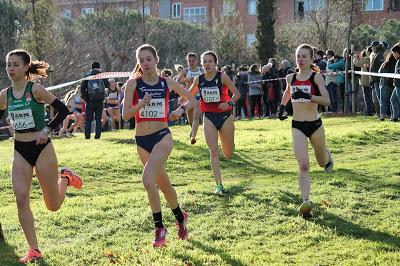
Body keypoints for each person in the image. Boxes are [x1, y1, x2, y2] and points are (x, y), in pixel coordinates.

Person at [0, 49, 82, 263]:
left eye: (15, 64)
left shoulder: (35, 89)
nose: (11, 68)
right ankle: (34, 249)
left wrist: (47, 130)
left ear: (26, 67)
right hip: (20, 149)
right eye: (8, 64)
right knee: (21, 199)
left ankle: (65, 178)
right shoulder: (5, 95)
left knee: (52, 205)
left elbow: (63, 110)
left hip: (42, 149)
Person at [122, 44, 195, 247]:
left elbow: (193, 99)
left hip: (162, 136)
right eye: (141, 60)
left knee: (147, 180)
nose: (144, 63)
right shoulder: (133, 84)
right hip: (142, 141)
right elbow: (126, 114)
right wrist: (141, 104)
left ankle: (159, 228)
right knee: (163, 184)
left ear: (156, 60)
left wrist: (181, 110)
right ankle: (181, 217)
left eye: (148, 59)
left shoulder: (167, 82)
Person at [278, 44, 333, 219]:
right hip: (297, 126)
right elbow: (288, 92)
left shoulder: (316, 78)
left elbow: (327, 100)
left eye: (304, 56)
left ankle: (327, 156)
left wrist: (309, 96)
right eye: (298, 57)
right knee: (303, 165)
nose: (300, 60)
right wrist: (281, 107)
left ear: (311, 59)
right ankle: (306, 203)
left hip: (315, 125)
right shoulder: (290, 77)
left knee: (321, 162)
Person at [188, 51, 240, 194]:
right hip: (209, 117)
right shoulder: (199, 79)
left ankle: (230, 145)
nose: (207, 64)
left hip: (225, 116)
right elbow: (188, 94)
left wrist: (228, 102)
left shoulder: (222, 76)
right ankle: (219, 185)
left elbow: (237, 94)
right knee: (213, 151)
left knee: (228, 153)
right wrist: (182, 101)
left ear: (215, 63)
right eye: (204, 61)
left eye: (210, 61)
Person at [177, 53, 204, 144]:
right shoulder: (185, 71)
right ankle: (193, 128)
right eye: (190, 61)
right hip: (189, 96)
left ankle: (193, 135)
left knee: (196, 116)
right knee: (190, 119)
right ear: (187, 61)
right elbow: (177, 81)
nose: (192, 62)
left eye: (193, 60)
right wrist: (187, 80)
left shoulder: (201, 70)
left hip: (200, 96)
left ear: (197, 61)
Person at [81, 61, 110, 139]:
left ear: (91, 67)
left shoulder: (87, 76)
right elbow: (108, 85)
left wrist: (87, 98)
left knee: (88, 120)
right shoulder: (101, 76)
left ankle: (87, 136)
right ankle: (97, 136)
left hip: (90, 101)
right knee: (98, 119)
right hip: (100, 101)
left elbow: (82, 89)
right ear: (99, 67)